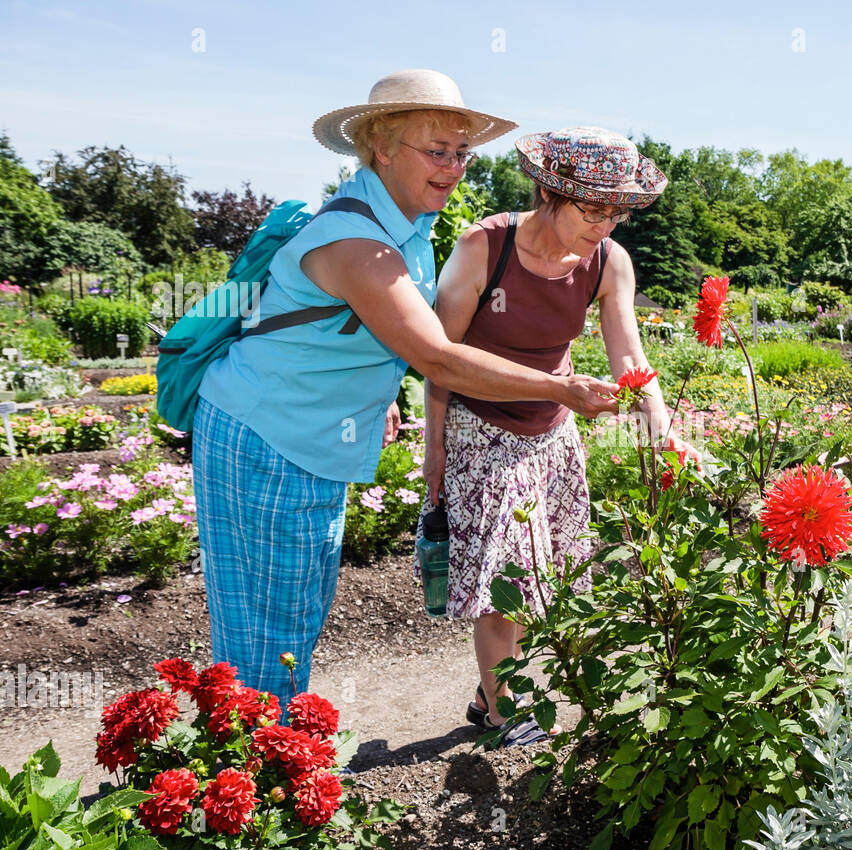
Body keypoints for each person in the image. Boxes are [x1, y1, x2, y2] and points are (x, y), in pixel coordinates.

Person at [192, 72, 619, 710]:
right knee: (265, 628)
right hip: (266, 439)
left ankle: (267, 763)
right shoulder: (360, 240)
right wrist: (563, 389)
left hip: (303, 441)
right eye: (436, 151)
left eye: (461, 153)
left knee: (294, 614)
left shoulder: (404, 225)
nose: (453, 169)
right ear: (381, 148)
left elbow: (369, 330)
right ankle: (253, 778)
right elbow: (436, 356)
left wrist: (380, 391)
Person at [424, 127, 700, 747]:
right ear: (549, 192)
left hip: (553, 433)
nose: (605, 224)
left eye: (617, 211)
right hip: (482, 429)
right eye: (593, 208)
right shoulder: (483, 249)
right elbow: (439, 359)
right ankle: (503, 715)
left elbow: (629, 353)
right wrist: (435, 448)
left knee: (547, 581)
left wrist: (664, 431)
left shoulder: (608, 262)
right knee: (505, 586)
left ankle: (489, 690)